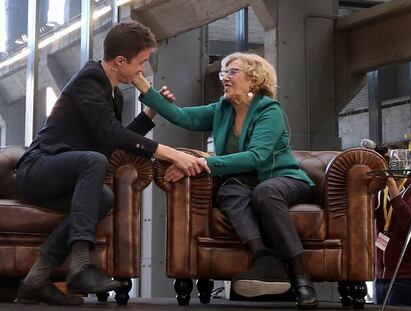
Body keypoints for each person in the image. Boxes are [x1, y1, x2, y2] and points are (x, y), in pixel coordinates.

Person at [15, 21, 209, 306]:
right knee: (93, 161)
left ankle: (35, 280)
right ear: (120, 61)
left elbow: (114, 139)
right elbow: (110, 134)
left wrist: (149, 114)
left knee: (103, 196)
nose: (143, 70)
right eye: (141, 63)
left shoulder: (112, 91)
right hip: (38, 169)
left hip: (67, 175)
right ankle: (81, 266)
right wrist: (170, 153)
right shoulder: (89, 78)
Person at [132, 52, 319, 309]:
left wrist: (201, 163)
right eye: (224, 72)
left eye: (233, 72)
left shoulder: (269, 111)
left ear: (254, 80)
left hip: (282, 179)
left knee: (265, 192)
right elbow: (181, 116)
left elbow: (257, 156)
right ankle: (264, 259)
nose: (225, 78)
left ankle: (302, 280)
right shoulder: (222, 109)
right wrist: (143, 85)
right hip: (244, 182)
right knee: (229, 191)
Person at [372, 143, 411, 307]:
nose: (387, 166)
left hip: (407, 276)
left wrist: (394, 190)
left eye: (391, 160)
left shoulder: (410, 186)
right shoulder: (381, 191)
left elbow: (410, 224)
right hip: (382, 275)